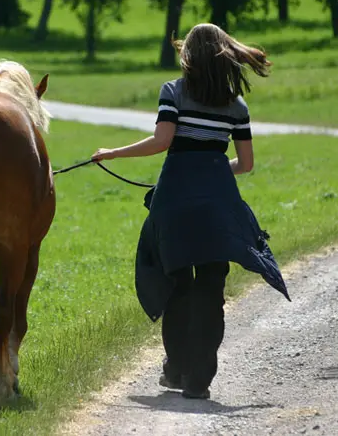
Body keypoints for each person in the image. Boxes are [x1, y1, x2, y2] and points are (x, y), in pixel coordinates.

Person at [92, 23, 290, 400]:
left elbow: (162, 141)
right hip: (218, 204)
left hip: (175, 202)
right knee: (212, 287)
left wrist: (113, 153)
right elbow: (245, 164)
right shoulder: (237, 105)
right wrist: (211, 169)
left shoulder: (174, 91)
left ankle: (178, 369)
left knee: (178, 285)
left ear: (188, 57)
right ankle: (199, 380)